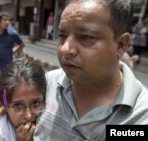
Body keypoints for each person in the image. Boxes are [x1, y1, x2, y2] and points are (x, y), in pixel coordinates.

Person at [34, 0, 148, 141]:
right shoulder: (46, 85)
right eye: (63, 36)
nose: (65, 49)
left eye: (86, 37)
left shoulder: (142, 115)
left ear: (121, 45)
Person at [0, 58, 46, 141]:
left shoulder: (49, 125)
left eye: (35, 103)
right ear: (5, 105)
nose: (28, 116)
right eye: (18, 105)